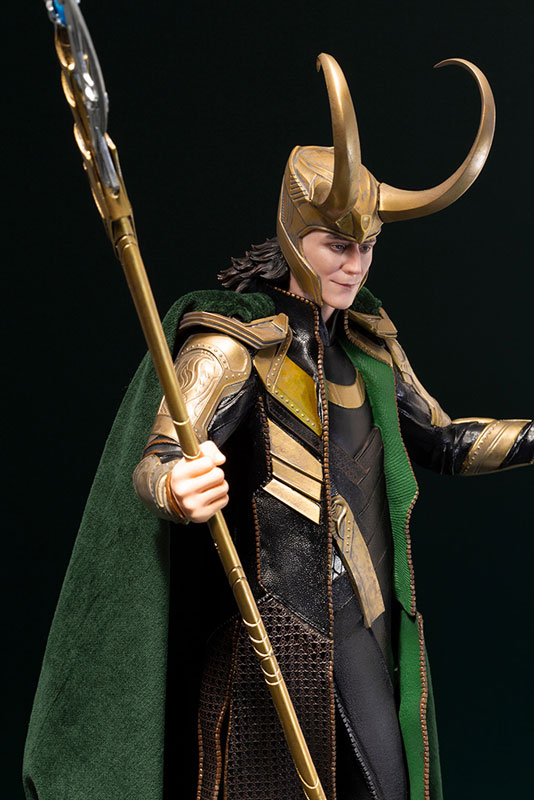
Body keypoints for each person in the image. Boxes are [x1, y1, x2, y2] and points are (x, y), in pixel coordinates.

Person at [23, 54, 533, 800]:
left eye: (367, 247)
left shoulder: (370, 346)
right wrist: (178, 485)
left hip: (370, 626)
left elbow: (447, 442)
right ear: (296, 234)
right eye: (337, 246)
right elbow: (157, 458)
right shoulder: (232, 345)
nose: (354, 266)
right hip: (274, 637)